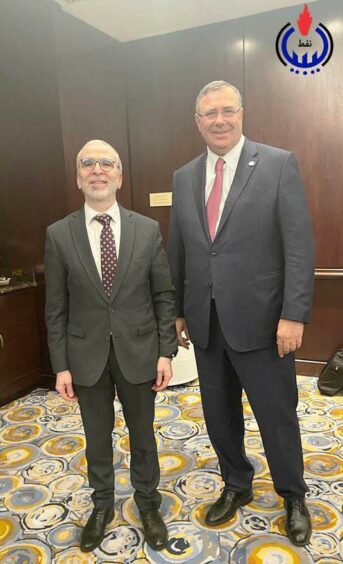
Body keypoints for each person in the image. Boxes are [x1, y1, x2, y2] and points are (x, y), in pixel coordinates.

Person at [167, 81, 315, 546]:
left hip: (265, 324)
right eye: (209, 113)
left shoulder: (276, 163)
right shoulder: (184, 176)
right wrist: (178, 311)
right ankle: (237, 484)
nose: (219, 120)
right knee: (219, 415)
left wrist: (294, 313)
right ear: (197, 121)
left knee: (277, 415)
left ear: (242, 113)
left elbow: (298, 245)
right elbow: (182, 250)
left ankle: (293, 494)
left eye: (227, 110)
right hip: (206, 322)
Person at [45, 139, 177, 552]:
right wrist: (61, 366)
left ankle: (149, 503)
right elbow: (56, 308)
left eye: (107, 163)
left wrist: (165, 352)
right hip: (85, 360)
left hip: (139, 353)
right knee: (96, 437)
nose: (97, 170)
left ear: (119, 176)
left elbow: (163, 295)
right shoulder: (58, 234)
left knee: (142, 435)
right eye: (88, 164)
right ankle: (101, 506)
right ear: (78, 177)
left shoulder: (146, 229)